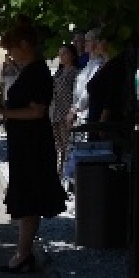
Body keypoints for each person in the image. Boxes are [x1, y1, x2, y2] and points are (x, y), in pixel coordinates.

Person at [0, 20, 66, 272]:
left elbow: (36, 112)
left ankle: (23, 254)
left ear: (24, 45)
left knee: (29, 197)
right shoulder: (30, 70)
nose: (10, 54)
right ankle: (23, 252)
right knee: (26, 196)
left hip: (33, 144)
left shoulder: (38, 72)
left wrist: (4, 112)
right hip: (25, 143)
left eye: (12, 48)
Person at [51, 43, 82, 177]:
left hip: (66, 112)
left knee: (67, 144)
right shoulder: (58, 72)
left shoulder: (75, 73)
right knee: (58, 145)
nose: (61, 57)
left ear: (72, 55)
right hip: (55, 112)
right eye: (60, 54)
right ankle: (59, 171)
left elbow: (76, 94)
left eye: (64, 53)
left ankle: (65, 172)